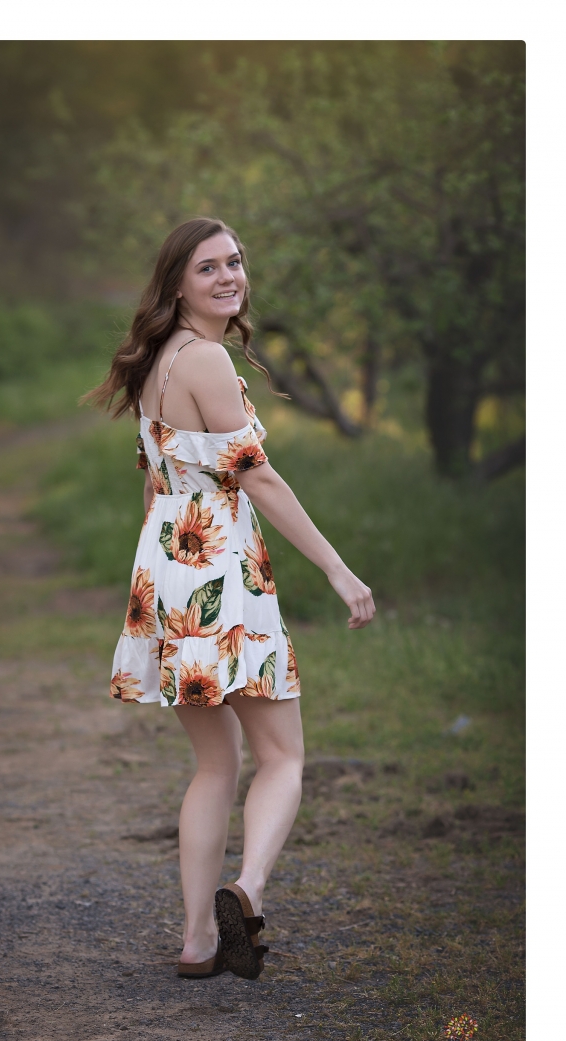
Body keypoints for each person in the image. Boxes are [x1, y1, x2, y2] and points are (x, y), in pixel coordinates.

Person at [85, 218, 375, 981]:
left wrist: (161, 581)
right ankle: (244, 892)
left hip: (169, 570)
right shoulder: (207, 358)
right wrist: (338, 570)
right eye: (208, 267)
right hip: (219, 574)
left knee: (216, 764)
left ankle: (197, 942)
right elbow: (258, 475)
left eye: (235, 262)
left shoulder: (158, 360)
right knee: (283, 756)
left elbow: (158, 482)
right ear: (177, 284)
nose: (229, 276)